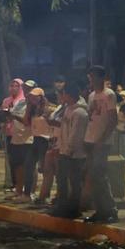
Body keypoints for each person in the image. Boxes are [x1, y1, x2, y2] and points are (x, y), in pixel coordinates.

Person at [83, 66, 118, 223]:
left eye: (93, 76)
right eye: (89, 77)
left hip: (101, 142)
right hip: (90, 139)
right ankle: (100, 209)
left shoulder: (109, 95)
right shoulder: (91, 96)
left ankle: (110, 209)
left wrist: (102, 139)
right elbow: (91, 117)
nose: (90, 79)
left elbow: (112, 120)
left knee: (101, 176)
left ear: (100, 77)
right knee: (93, 176)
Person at [50, 83, 89, 219]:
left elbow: (76, 134)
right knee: (61, 181)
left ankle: (73, 209)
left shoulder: (80, 112)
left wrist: (68, 150)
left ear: (69, 95)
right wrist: (59, 147)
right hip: (64, 151)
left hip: (74, 154)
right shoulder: (68, 109)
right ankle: (63, 207)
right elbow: (64, 130)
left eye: (64, 94)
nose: (62, 96)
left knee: (74, 182)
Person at [6, 81, 34, 201]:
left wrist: (14, 116)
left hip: (28, 138)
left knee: (28, 167)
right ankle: (18, 190)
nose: (27, 91)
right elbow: (13, 115)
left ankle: (29, 192)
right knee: (17, 166)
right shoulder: (21, 102)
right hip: (16, 137)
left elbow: (27, 121)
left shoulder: (34, 104)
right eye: (25, 88)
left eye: (29, 89)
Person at [24, 88, 52, 205]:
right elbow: (26, 122)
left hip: (45, 140)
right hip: (35, 139)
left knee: (45, 168)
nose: (33, 98)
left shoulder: (48, 108)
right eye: (31, 97)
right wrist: (29, 108)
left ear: (41, 97)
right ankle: (28, 193)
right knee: (29, 165)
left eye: (36, 96)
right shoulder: (32, 109)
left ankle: (44, 194)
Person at [0, 79, 25, 192]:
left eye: (16, 86)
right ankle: (14, 184)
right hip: (9, 132)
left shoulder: (23, 100)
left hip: (20, 134)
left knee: (21, 161)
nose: (13, 88)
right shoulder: (6, 100)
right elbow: (1, 115)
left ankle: (22, 185)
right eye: (11, 86)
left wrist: (11, 114)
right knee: (12, 160)